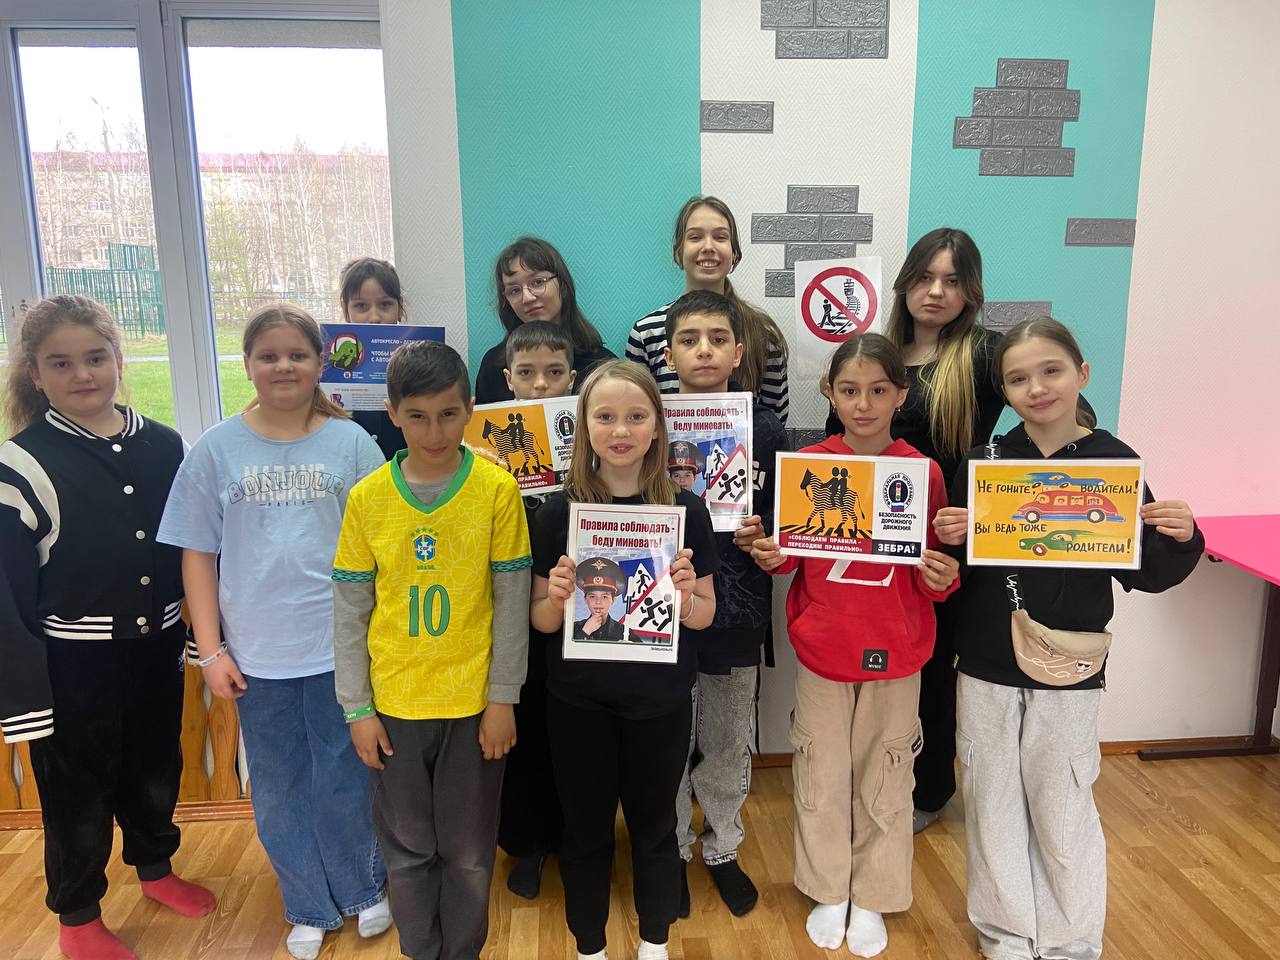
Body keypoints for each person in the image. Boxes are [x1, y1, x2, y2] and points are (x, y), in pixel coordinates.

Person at [932, 317, 1203, 960]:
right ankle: (1005, 932)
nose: (1036, 388)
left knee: (1063, 802)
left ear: (1082, 373)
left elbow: (1144, 572)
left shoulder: (1114, 462)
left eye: (1050, 371)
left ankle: (1070, 939)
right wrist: (948, 541)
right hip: (987, 661)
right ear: (1004, 392)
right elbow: (961, 572)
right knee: (990, 798)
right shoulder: (985, 463)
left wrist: (1182, 536)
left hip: (1072, 662)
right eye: (1017, 379)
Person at [158, 304, 389, 960]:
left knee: (346, 772)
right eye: (269, 356)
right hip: (257, 654)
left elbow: (384, 546)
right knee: (280, 782)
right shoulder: (216, 449)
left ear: (320, 363)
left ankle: (362, 888)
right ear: (248, 365)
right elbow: (196, 554)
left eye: (297, 355)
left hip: (341, 646)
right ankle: (307, 902)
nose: (284, 366)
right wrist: (210, 650)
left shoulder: (352, 444)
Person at [0, 295, 215, 960]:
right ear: (35, 374)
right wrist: (25, 699)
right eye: (61, 363)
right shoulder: (20, 464)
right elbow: (8, 593)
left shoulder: (166, 445)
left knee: (155, 767)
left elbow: (192, 548)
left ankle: (155, 867)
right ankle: (78, 916)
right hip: (72, 665)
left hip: (155, 648)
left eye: (95, 358)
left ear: (119, 360)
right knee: (76, 794)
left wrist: (197, 635)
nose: (82, 374)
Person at [751, 334, 960, 958]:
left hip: (898, 648)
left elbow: (936, 567)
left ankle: (873, 893)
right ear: (829, 393)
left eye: (877, 390)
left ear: (901, 395)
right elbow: (792, 555)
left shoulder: (922, 472)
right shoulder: (809, 464)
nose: (863, 404)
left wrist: (942, 577)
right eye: (849, 390)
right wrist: (771, 554)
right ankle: (828, 888)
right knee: (820, 769)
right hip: (825, 647)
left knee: (888, 772)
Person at [331, 339, 531, 960]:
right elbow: (350, 612)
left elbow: (511, 604)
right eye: (417, 416)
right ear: (392, 413)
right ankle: (420, 950)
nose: (435, 431)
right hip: (394, 707)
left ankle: (463, 952)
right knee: (409, 850)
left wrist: (503, 698)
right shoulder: (367, 499)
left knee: (469, 853)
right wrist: (357, 709)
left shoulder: (497, 491)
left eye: (448, 414)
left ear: (470, 408)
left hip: (474, 706)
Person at [529, 360, 719, 960]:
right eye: (605, 416)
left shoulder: (688, 511)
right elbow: (541, 621)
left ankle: (654, 943)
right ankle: (590, 946)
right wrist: (555, 598)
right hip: (577, 702)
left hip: (659, 703)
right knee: (584, 832)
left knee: (656, 829)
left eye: (636, 416)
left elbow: (705, 615)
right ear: (583, 425)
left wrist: (685, 600)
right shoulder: (558, 514)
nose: (620, 430)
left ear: (657, 426)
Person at [661, 289, 790, 918]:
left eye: (717, 339)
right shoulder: (648, 421)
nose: (704, 350)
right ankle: (673, 848)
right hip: (665, 608)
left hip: (738, 606)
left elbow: (792, 519)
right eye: (689, 340)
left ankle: (722, 846)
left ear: (739, 352)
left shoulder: (764, 429)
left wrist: (766, 535)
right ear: (668, 354)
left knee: (727, 736)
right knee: (669, 738)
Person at [880, 228, 1005, 834]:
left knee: (933, 668)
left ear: (970, 291)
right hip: (878, 541)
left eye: (952, 281)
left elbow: (1050, 413)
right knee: (886, 666)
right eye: (926, 277)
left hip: (946, 545)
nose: (936, 291)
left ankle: (929, 790)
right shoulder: (880, 353)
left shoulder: (985, 354)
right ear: (905, 283)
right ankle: (880, 780)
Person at [494, 320, 576, 899]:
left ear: (572, 378)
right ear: (508, 380)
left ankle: (574, 839)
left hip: (575, 608)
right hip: (511, 611)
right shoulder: (487, 447)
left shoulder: (591, 439)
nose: (540, 384)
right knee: (523, 733)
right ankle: (528, 843)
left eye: (553, 372)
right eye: (527, 373)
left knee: (570, 735)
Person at [626, 195, 790, 424]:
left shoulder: (764, 334)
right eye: (695, 237)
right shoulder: (646, 333)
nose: (708, 247)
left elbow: (775, 421)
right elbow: (634, 415)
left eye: (720, 237)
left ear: (734, 253)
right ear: (678, 252)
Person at [475, 237, 614, 404]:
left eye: (538, 282)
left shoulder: (601, 366)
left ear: (562, 283)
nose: (527, 297)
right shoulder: (493, 365)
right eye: (514, 290)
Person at [337, 256, 413, 461]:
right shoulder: (331, 368)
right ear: (346, 310)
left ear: (399, 308)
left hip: (405, 467)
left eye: (385, 304)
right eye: (361, 306)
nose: (374, 317)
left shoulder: (419, 360)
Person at [572, 558, 626, 640]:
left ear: (613, 600)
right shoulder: (574, 628)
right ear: (585, 599)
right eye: (592, 596)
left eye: (604, 597)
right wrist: (585, 632)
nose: (598, 602)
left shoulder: (624, 632)